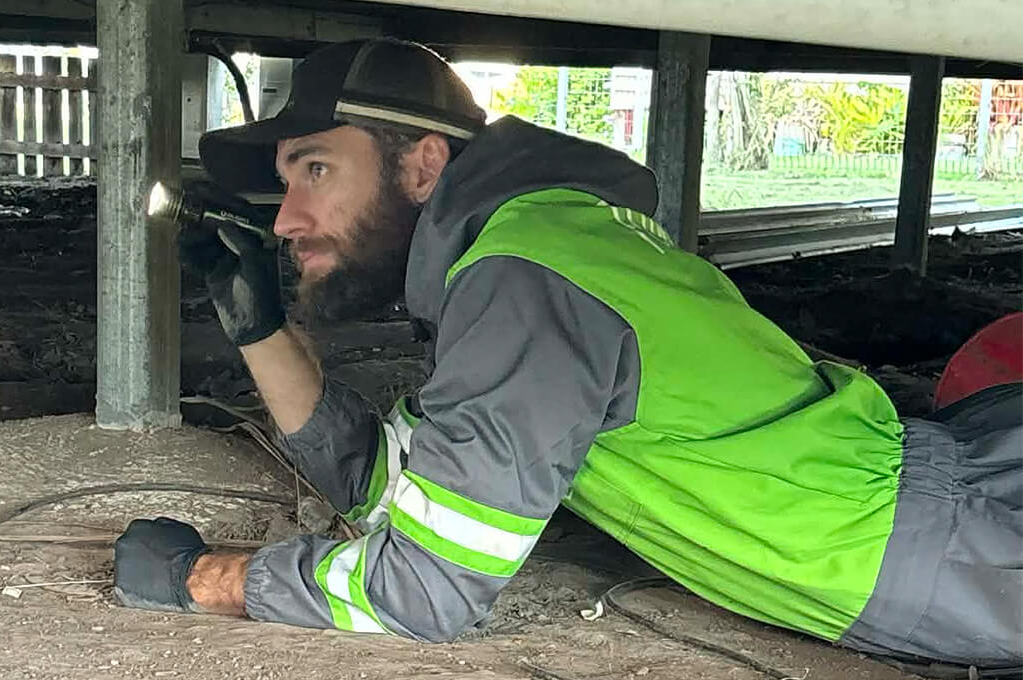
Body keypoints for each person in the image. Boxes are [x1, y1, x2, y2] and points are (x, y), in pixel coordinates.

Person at [110, 38, 1022, 668]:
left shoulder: (522, 284)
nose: (286, 220)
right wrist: (261, 326)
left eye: (315, 170)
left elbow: (420, 590)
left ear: (424, 166)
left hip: (949, 544)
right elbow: (401, 485)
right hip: (939, 489)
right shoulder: (530, 246)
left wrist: (202, 580)